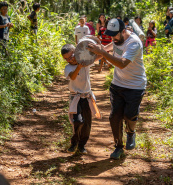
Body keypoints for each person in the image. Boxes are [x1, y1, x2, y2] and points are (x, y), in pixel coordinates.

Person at [88, 18, 147, 160]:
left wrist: (102, 52)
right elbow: (104, 52)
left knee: (129, 115)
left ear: (123, 31)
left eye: (115, 34)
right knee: (114, 117)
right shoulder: (116, 40)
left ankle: (131, 132)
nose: (113, 37)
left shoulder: (133, 43)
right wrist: (86, 60)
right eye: (111, 34)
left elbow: (121, 64)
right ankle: (118, 146)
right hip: (118, 85)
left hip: (135, 86)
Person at [61, 43, 101, 154]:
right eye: (67, 59)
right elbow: (73, 77)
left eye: (72, 56)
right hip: (75, 98)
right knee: (77, 121)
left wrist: (100, 49)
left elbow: (99, 56)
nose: (70, 59)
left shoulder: (86, 62)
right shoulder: (68, 67)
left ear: (77, 52)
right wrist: (78, 66)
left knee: (87, 123)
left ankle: (82, 145)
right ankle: (74, 143)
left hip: (87, 97)